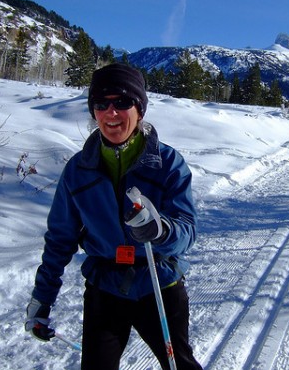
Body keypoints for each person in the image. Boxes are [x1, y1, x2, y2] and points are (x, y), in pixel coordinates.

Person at [25, 63, 203, 370]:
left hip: (159, 284)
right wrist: (42, 299)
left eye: (122, 102)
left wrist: (161, 231)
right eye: (101, 104)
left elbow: (187, 231)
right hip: (106, 287)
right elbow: (59, 239)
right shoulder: (78, 170)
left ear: (140, 109)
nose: (111, 113)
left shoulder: (168, 163)